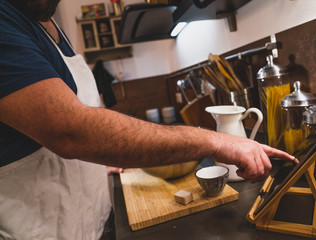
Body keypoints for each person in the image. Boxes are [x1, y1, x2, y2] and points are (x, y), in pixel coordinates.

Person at [0, 0, 297, 239]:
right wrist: (213, 138)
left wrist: (100, 158)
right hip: (40, 229)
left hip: (92, 220)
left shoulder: (49, 24)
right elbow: (69, 130)